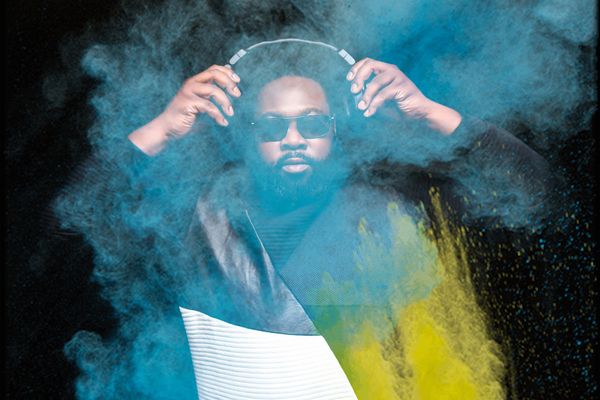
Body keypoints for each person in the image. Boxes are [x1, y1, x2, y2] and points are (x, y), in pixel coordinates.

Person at [66, 39, 552, 398]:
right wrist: (161, 129)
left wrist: (429, 114)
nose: (294, 138)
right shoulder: (203, 219)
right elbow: (69, 223)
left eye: (313, 123)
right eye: (273, 126)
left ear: (336, 130)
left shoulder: (395, 206)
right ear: (245, 135)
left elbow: (538, 193)